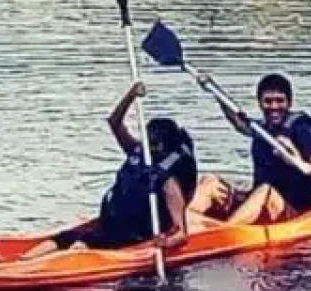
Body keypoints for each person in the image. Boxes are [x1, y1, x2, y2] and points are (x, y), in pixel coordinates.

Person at [22, 82, 198, 258]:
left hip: (134, 234)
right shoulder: (136, 152)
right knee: (63, 238)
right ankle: (23, 260)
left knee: (84, 242)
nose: (149, 146)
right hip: (112, 226)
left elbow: (181, 233)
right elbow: (115, 122)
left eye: (155, 143)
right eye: (148, 140)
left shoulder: (169, 182)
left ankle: (45, 266)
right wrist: (131, 95)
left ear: (166, 146)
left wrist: (165, 242)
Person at [201, 70, 311, 226]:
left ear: (289, 103)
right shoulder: (262, 128)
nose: (274, 107)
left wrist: (294, 159)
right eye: (268, 101)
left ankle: (224, 231)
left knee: (265, 191)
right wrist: (213, 89)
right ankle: (184, 223)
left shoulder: (302, 128)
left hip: (293, 209)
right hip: (259, 197)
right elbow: (239, 123)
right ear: (260, 103)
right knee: (210, 182)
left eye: (280, 101)